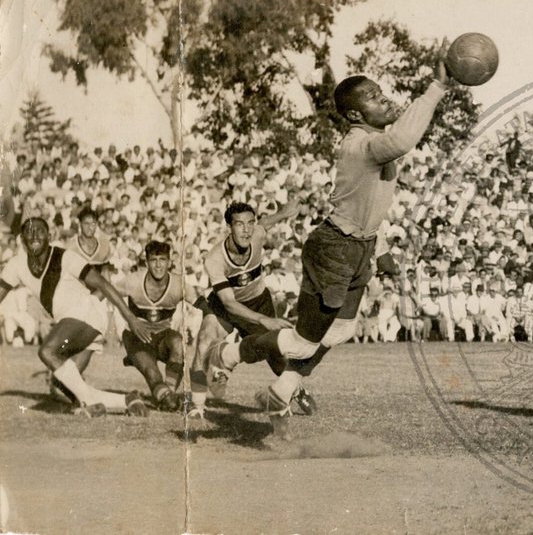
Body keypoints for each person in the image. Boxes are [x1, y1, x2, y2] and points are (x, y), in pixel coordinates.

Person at [227, 46, 452, 439]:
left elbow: (367, 206)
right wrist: (436, 87)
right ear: (354, 115)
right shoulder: (360, 145)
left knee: (339, 332)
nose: (385, 99)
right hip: (334, 247)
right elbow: (402, 141)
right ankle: (228, 355)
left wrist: (379, 250)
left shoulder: (371, 141)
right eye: (374, 97)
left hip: (358, 245)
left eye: (383, 93)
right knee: (300, 342)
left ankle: (282, 389)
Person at [0, 217, 152, 416]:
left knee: (47, 352)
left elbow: (103, 284)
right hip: (71, 324)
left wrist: (131, 318)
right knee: (63, 389)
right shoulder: (16, 264)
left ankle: (88, 402)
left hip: (88, 312)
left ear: (50, 235)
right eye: (30, 231)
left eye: (40, 231)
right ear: (21, 239)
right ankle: (126, 400)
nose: (35, 235)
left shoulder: (65, 257)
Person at [187, 201, 302, 420]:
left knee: (274, 356)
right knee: (203, 341)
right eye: (239, 224)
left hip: (259, 301)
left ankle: (296, 390)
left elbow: (265, 223)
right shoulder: (214, 259)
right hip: (225, 306)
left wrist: (285, 212)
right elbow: (229, 303)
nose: (246, 229)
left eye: (250, 223)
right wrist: (263, 320)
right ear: (229, 227)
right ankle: (197, 406)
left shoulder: (257, 235)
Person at [118, 240, 196, 411]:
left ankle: (169, 395)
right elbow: (109, 293)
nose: (158, 265)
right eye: (154, 260)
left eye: (162, 260)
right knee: (153, 374)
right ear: (147, 263)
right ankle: (166, 396)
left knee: (178, 342)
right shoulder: (133, 280)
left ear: (169, 262)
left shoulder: (178, 284)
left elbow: (200, 301)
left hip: (162, 337)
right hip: (137, 337)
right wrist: (130, 318)